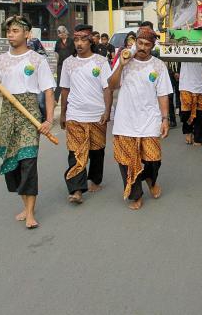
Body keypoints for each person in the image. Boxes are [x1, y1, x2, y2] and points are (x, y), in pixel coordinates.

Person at [0, 16, 55, 230]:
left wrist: (49, 120)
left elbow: (48, 90)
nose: (10, 35)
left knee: (28, 161)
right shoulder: (0, 60)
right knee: (12, 162)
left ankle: (31, 212)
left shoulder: (37, 60)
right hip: (8, 114)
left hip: (29, 112)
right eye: (9, 31)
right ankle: (25, 204)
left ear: (27, 34)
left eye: (15, 31)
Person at [108, 26, 171, 210]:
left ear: (152, 46)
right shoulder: (124, 61)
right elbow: (111, 86)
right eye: (140, 43)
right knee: (127, 161)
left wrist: (165, 119)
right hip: (125, 121)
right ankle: (136, 195)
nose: (143, 47)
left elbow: (163, 94)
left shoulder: (158, 66)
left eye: (147, 44)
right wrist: (120, 65)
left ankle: (151, 180)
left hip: (150, 120)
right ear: (135, 42)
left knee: (153, 159)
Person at [59, 24, 112, 204]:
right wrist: (63, 113)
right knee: (75, 153)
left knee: (97, 151)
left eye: (83, 40)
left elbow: (107, 88)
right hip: (75, 115)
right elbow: (65, 89)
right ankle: (76, 190)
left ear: (91, 41)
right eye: (76, 40)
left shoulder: (101, 62)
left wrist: (107, 110)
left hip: (96, 114)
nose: (79, 44)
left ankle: (95, 180)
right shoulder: (68, 63)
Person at [178, 62, 202, 146]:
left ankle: (198, 138)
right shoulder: (184, 49)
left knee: (200, 113)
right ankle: (188, 132)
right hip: (185, 84)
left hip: (201, 84)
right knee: (186, 112)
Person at [54, 25, 75, 104]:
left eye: (60, 33)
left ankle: (70, 99)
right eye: (58, 33)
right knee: (59, 82)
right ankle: (55, 100)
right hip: (60, 64)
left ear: (64, 32)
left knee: (70, 81)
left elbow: (74, 52)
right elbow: (56, 52)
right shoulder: (58, 42)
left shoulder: (71, 41)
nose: (59, 35)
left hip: (70, 64)